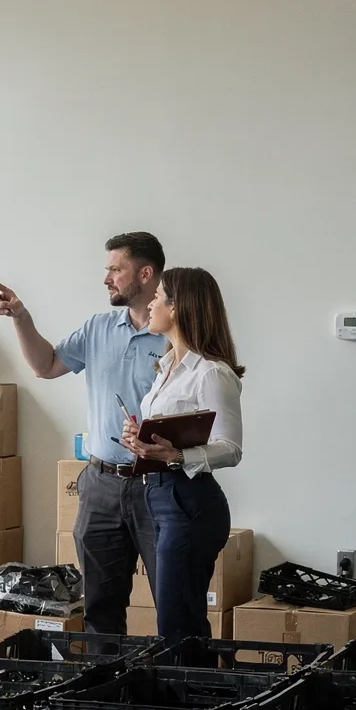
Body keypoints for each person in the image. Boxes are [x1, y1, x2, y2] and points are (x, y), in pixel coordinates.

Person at [0, 233, 168, 635]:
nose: (106, 278)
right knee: (99, 610)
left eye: (116, 269)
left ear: (145, 274)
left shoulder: (178, 334)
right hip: (101, 486)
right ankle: (104, 678)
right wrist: (21, 317)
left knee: (172, 607)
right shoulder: (98, 328)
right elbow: (46, 366)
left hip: (158, 486)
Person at [122, 267, 242, 640]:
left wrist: (175, 457)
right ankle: (186, 677)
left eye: (157, 296)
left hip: (188, 500)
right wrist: (140, 440)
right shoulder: (166, 367)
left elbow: (231, 449)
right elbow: (168, 439)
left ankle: (189, 679)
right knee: (176, 620)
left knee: (178, 624)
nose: (150, 304)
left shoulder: (211, 373)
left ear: (177, 308)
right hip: (158, 496)